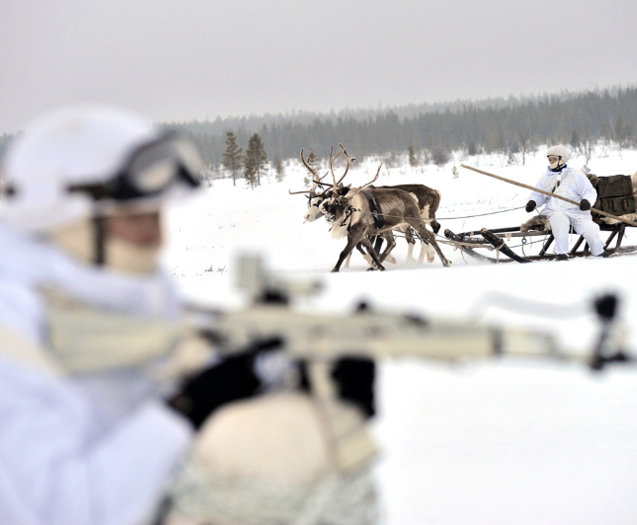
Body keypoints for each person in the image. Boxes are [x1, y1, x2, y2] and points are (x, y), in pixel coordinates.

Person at [0, 105, 378, 525]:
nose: (155, 235)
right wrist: (188, 409)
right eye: (133, 218)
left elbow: (170, 371)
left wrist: (289, 375)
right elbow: (55, 511)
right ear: (59, 216)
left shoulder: (130, 289)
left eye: (156, 214)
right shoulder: (12, 329)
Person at [525, 145, 608, 260]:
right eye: (550, 159)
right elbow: (538, 194)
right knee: (559, 222)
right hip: (555, 211)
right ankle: (562, 253)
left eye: (554, 159)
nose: (551, 161)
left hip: (577, 212)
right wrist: (533, 202)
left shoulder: (576, 174)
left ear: (562, 159)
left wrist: (587, 202)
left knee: (591, 229)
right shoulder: (545, 177)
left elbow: (589, 191)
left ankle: (599, 251)